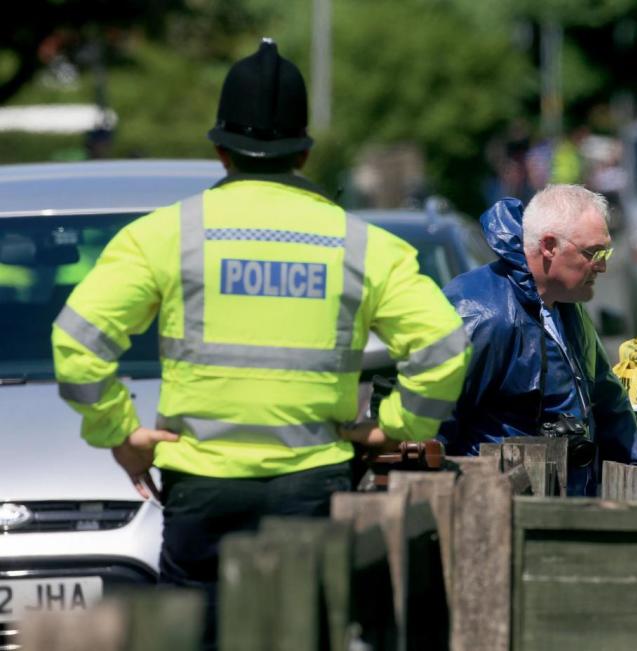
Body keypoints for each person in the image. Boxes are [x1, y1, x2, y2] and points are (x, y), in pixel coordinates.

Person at [52, 38, 469, 648]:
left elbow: (76, 341)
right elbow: (443, 345)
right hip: (311, 489)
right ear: (303, 150)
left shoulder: (167, 235)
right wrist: (396, 426)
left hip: (200, 490)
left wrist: (121, 434)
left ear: (220, 149)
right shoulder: (358, 244)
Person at [438, 184, 637, 495]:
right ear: (549, 246)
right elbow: (433, 429)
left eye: (605, 251)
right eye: (592, 253)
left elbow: (610, 410)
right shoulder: (480, 312)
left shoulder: (568, 307)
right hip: (495, 510)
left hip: (563, 508)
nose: (602, 265)